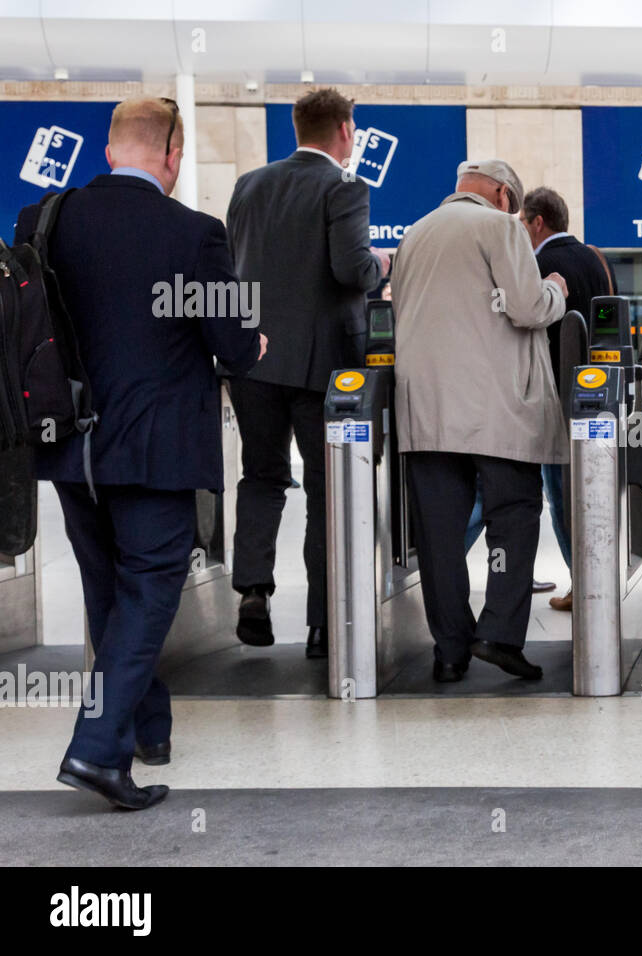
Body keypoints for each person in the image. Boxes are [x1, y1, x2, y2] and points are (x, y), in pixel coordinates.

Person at [15, 98, 265, 809]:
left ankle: (146, 729)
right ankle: (96, 750)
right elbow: (236, 348)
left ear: (108, 151)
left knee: (108, 593)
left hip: (70, 448)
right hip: (152, 449)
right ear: (173, 156)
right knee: (151, 587)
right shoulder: (194, 233)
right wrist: (253, 344)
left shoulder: (45, 222)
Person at [225, 88, 389, 659]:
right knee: (326, 492)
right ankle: (323, 624)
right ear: (345, 130)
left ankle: (253, 592)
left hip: (252, 361)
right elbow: (352, 270)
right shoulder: (344, 187)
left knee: (261, 475)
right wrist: (384, 263)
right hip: (323, 368)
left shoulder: (249, 185)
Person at [391, 159, 569, 683]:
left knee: (440, 536)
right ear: (501, 193)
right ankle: (498, 634)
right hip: (497, 411)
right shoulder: (499, 227)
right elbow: (528, 308)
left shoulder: (413, 235)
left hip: (425, 411)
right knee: (512, 517)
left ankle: (449, 651)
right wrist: (555, 287)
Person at [520, 186, 617, 611]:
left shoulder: (540, 264)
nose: (521, 231)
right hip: (600, 396)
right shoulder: (595, 259)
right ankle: (600, 579)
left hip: (558, 398)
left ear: (538, 221)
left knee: (561, 495)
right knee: (592, 490)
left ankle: (585, 585)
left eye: (523, 222)